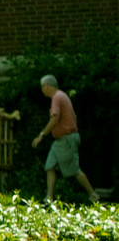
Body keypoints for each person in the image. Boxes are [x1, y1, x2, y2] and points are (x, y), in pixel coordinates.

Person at [31, 74, 99, 202]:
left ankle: (92, 194)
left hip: (66, 139)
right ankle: (49, 197)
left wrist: (41, 135)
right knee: (50, 166)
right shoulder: (62, 96)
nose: (42, 90)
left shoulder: (57, 98)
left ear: (46, 86)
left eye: (42, 87)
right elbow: (74, 117)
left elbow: (54, 118)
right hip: (60, 140)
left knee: (74, 170)